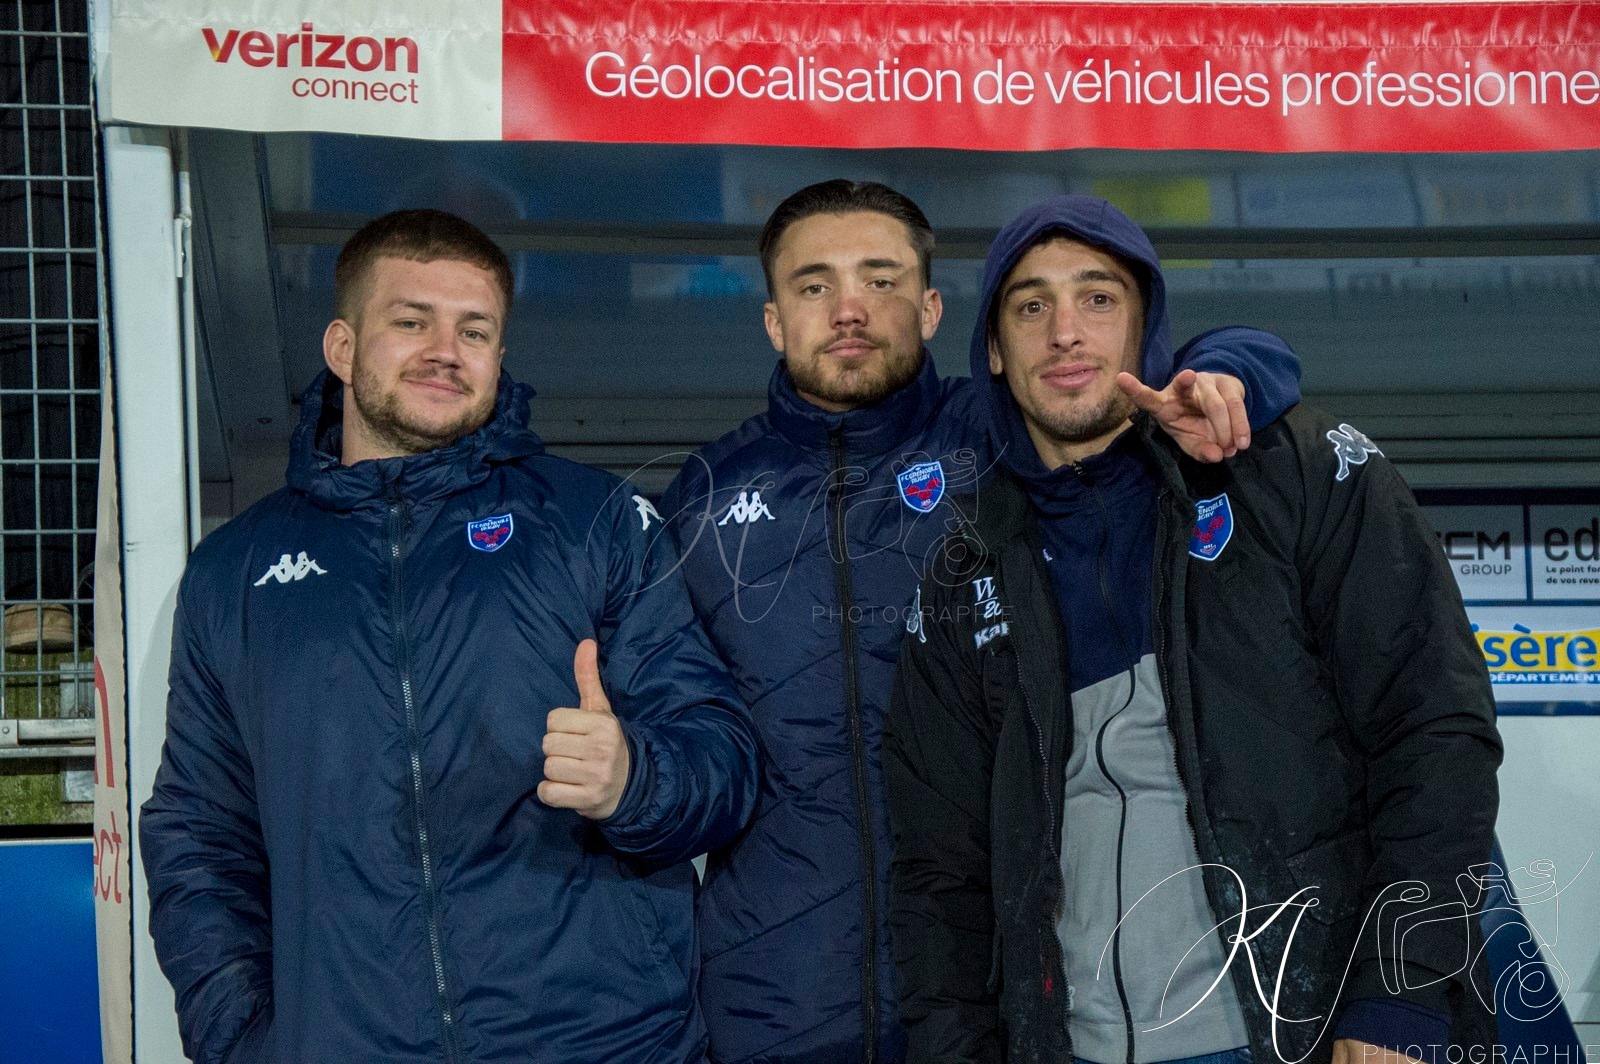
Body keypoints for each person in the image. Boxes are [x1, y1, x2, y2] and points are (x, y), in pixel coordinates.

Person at [659, 180, 1305, 1064]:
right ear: (774, 319)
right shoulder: (703, 494)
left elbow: (1157, 376)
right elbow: (686, 734)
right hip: (775, 998)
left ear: (931, 308)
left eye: (880, 280)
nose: (849, 309)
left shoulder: (1011, 432)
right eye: (814, 286)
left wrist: (1234, 367)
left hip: (1003, 985)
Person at [884, 194, 1504, 1064]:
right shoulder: (964, 571)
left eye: (1098, 299)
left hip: (1313, 1035)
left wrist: (1397, 997)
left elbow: (1435, 733)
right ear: (992, 348)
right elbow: (936, 873)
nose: (1066, 332)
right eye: (1031, 306)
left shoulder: (1292, 469)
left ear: (1149, 328)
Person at [139, 209, 760, 1064]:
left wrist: (633, 778)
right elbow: (200, 834)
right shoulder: (233, 573)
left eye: (475, 329)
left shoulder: (595, 523)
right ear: (343, 347)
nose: (445, 349)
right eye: (410, 321)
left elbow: (723, 758)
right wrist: (244, 1039)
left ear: (499, 360)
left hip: (604, 1042)